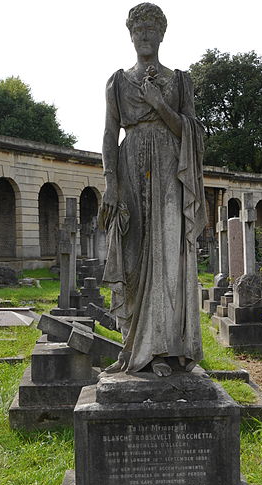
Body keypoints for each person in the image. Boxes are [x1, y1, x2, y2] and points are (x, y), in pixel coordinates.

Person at [99, 2, 206, 377]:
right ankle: (132, 348)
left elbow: (191, 132)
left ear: (161, 35)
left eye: (150, 30)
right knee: (130, 254)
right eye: (138, 30)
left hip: (169, 173)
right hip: (129, 171)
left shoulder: (179, 80)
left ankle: (163, 350)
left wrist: (160, 104)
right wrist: (110, 183)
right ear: (130, 35)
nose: (144, 35)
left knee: (166, 258)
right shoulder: (117, 80)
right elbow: (111, 134)